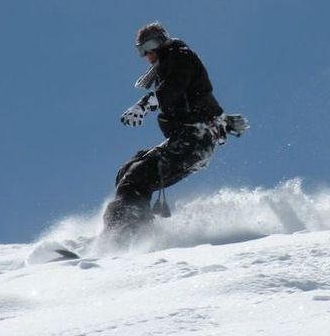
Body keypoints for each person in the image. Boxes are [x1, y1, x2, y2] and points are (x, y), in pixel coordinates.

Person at [102, 22, 248, 240]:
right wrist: (223, 122)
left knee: (137, 175)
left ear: (161, 42)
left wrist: (145, 104)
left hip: (194, 141)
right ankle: (128, 227)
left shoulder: (180, 58)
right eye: (141, 50)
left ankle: (129, 232)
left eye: (149, 46)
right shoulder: (169, 65)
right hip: (186, 138)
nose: (147, 54)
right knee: (128, 169)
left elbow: (173, 88)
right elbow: (200, 100)